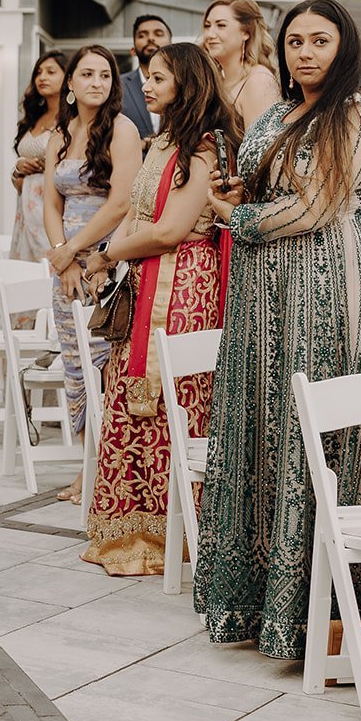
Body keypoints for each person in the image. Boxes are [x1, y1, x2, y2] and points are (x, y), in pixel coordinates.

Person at [195, 0, 361, 658]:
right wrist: (238, 195)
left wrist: (237, 222)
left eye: (319, 40)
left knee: (313, 429)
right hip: (262, 289)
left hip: (327, 287)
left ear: (344, 45)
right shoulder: (276, 111)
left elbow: (322, 200)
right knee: (267, 422)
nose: (303, 52)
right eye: (294, 41)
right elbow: (264, 184)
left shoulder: (356, 111)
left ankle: (323, 608)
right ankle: (266, 602)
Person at [80, 45, 240, 574]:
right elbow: (136, 212)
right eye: (146, 77)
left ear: (188, 81)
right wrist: (107, 261)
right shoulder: (162, 139)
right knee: (129, 388)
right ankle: (133, 530)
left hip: (186, 286)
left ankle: (182, 535)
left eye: (158, 77)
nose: (145, 86)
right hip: (146, 277)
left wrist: (107, 254)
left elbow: (171, 230)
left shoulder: (206, 147)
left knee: (181, 396)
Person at [43, 46, 142, 503]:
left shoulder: (122, 129)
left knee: (104, 364)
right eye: (87, 73)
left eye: (105, 74)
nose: (97, 82)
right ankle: (86, 467)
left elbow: (122, 202)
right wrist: (61, 255)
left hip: (107, 261)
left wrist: (80, 254)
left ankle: (109, 470)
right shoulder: (60, 134)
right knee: (75, 365)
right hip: (67, 265)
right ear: (71, 84)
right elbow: (51, 202)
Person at [10, 50, 66, 261]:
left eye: (51, 72)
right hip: (26, 207)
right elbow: (19, 177)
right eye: (39, 72)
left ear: (67, 77)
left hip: (52, 206)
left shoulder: (71, 119)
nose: (42, 77)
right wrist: (19, 169)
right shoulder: (35, 116)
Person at [202, 0, 280, 129]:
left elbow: (260, 148)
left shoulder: (259, 80)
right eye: (207, 26)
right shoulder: (214, 80)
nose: (210, 34)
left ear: (246, 32)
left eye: (221, 25)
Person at [121, 16, 172, 144]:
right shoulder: (117, 85)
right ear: (132, 50)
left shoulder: (186, 84)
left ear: (172, 45)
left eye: (158, 34)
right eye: (142, 35)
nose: (150, 38)